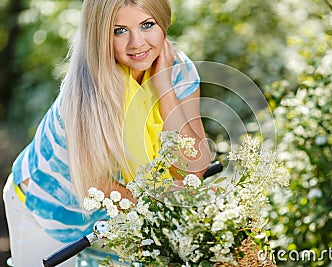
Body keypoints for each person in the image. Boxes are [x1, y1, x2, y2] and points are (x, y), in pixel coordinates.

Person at [2, 0, 211, 266]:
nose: (137, 43)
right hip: (47, 211)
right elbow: (96, 184)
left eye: (147, 25)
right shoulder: (85, 89)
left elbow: (194, 168)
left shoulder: (179, 72)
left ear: (164, 22)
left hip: (114, 220)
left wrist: (164, 88)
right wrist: (164, 219)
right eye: (119, 30)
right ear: (100, 34)